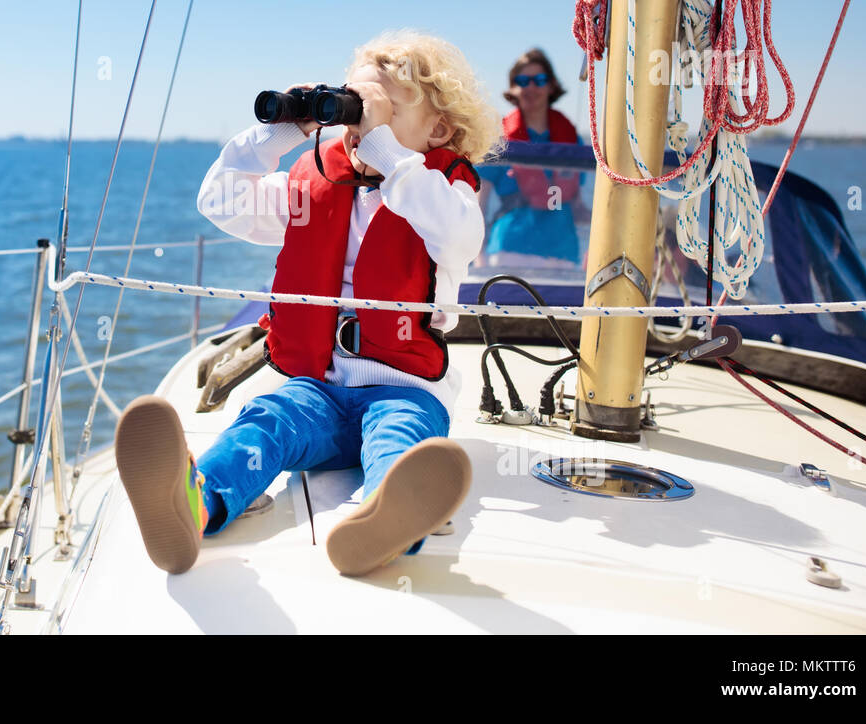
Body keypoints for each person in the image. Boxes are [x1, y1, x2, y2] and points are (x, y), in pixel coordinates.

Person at [114, 30, 504, 577]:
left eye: (380, 112)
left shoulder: (445, 195)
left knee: (399, 442)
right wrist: (276, 135)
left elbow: (455, 233)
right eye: (351, 110)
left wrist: (387, 151)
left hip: (405, 391)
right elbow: (220, 200)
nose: (358, 129)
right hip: (317, 389)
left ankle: (383, 518)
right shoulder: (316, 183)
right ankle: (196, 503)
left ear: (438, 130)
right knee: (266, 420)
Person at [475, 48, 590, 268]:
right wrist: (478, 257)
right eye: (522, 80)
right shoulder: (498, 137)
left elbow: (577, 206)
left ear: (551, 86)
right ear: (513, 88)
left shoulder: (571, 138)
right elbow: (480, 206)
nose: (531, 87)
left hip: (563, 255)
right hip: (509, 252)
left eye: (539, 80)